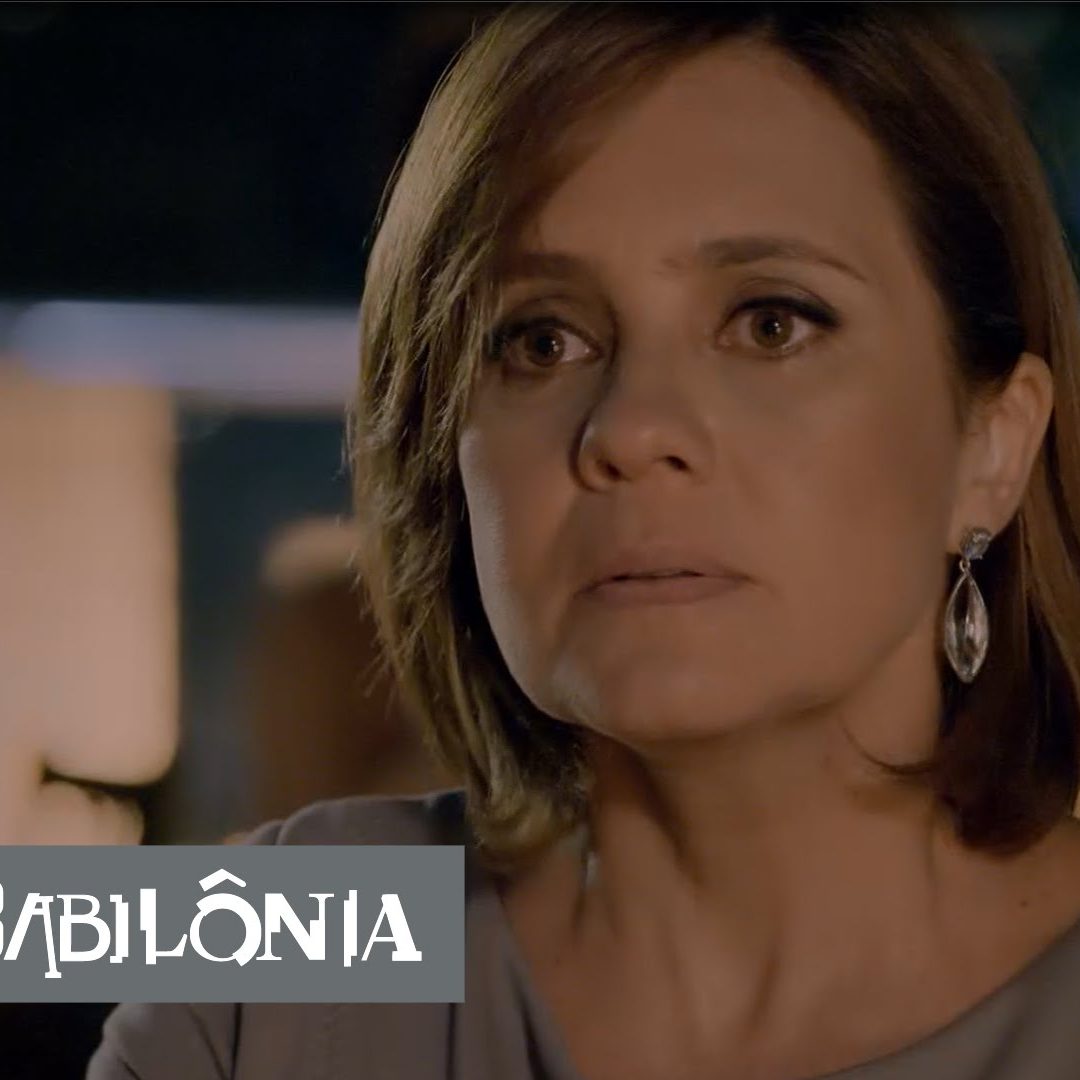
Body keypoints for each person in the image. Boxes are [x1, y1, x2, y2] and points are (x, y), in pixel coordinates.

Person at [88, 3, 1080, 1077]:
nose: (630, 429)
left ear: (993, 444)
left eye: (771, 322)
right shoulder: (278, 953)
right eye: (542, 340)